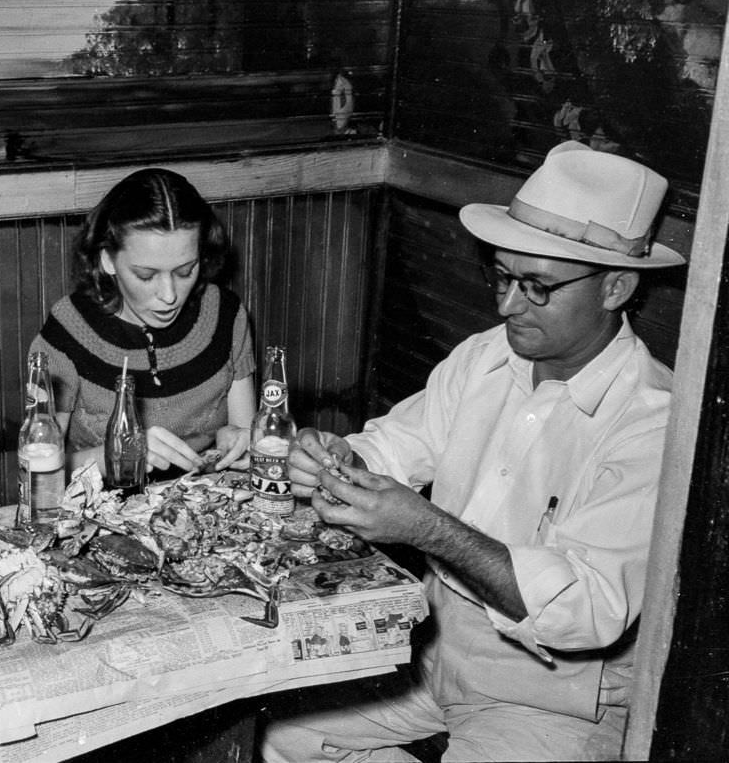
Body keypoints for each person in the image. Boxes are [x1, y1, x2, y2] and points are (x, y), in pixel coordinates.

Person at [262, 141, 686, 762]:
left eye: (537, 286)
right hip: (436, 650)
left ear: (616, 287)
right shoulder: (488, 355)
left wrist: (427, 527)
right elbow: (396, 444)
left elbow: (586, 611)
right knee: (277, 738)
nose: (507, 304)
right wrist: (338, 459)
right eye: (503, 275)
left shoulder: (654, 421)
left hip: (552, 696)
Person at [29, 168, 255, 476]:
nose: (169, 295)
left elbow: (247, 436)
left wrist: (242, 440)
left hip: (204, 508)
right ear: (107, 259)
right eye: (146, 276)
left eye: (185, 270)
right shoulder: (68, 329)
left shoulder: (226, 315)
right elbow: (35, 471)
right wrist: (115, 456)